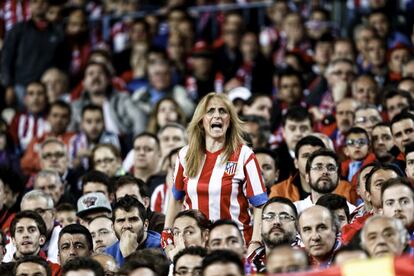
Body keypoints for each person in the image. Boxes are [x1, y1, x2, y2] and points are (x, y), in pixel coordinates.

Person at [164, 93, 267, 246]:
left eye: (223, 111)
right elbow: (177, 199)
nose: (217, 116)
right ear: (201, 121)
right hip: (194, 245)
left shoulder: (244, 155)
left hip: (233, 244)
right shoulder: (185, 155)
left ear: (230, 120)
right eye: (210, 111)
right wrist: (167, 233)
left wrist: (256, 242)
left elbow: (260, 205)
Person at [294, 148, 356, 213]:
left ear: (339, 178)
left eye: (331, 168)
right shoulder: (295, 210)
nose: (325, 172)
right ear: (307, 177)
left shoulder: (352, 212)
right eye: (318, 168)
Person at [105, 195, 161, 266]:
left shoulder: (161, 248)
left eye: (133, 219)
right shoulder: (108, 254)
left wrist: (130, 255)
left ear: (145, 225)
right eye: (121, 221)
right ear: (113, 228)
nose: (127, 226)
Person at [247, 197, 298, 273]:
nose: (276, 222)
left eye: (284, 217)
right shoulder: (247, 265)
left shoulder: (311, 259)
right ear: (261, 226)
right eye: (269, 217)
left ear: (297, 226)